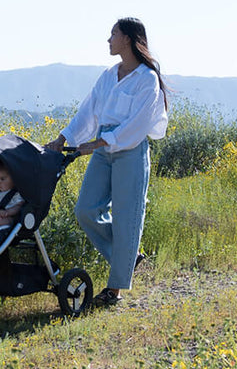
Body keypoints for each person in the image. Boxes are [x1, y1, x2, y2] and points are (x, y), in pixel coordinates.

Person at [44, 18, 168, 304]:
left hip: (130, 151)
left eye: (113, 34)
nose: (108, 39)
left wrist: (99, 143)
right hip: (102, 149)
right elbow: (88, 111)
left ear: (127, 39)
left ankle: (115, 290)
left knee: (127, 217)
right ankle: (129, 256)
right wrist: (64, 138)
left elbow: (138, 124)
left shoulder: (147, 79)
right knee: (86, 210)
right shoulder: (108, 75)